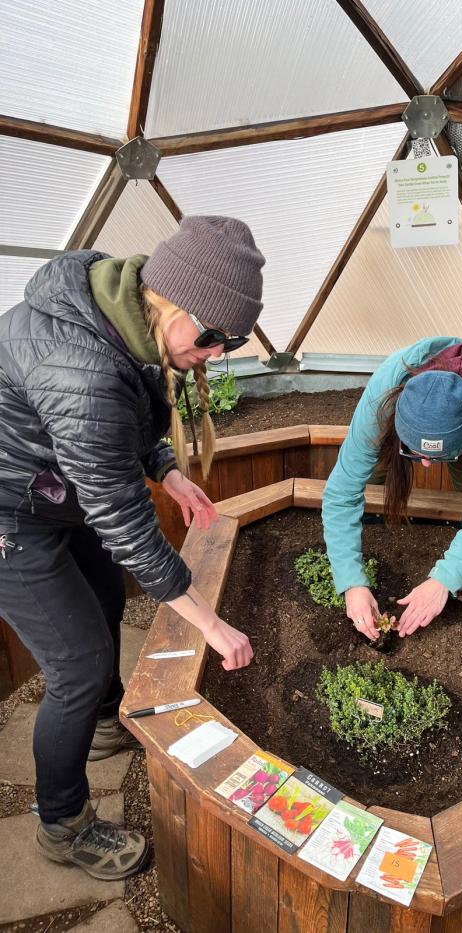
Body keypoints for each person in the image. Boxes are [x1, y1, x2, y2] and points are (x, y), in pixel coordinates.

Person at [0, 216, 265, 880]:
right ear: (175, 305)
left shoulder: (124, 313)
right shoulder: (82, 367)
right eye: (212, 340)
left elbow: (129, 418)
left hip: (46, 485)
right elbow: (120, 518)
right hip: (11, 516)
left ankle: (99, 724)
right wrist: (210, 622)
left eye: (225, 345)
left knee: (108, 595)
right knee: (78, 664)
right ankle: (60, 823)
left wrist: (170, 472)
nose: (213, 355)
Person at [322, 336, 462, 641]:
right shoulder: (382, 397)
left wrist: (444, 580)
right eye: (416, 453)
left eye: (439, 456)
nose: (426, 465)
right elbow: (342, 492)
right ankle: (372, 520)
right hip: (390, 410)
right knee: (372, 470)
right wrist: (350, 582)